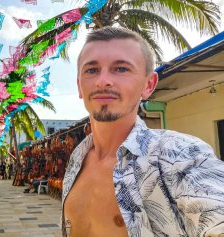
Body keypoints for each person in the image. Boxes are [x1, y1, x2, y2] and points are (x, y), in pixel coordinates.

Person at [62, 26, 224, 237]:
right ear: (79, 86)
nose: (102, 81)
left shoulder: (178, 155)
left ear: (149, 85)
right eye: (92, 70)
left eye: (121, 69)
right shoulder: (77, 157)